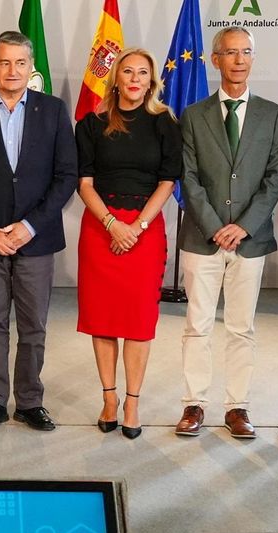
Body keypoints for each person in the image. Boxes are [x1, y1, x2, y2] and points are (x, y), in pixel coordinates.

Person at [0, 31, 77, 433]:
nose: (12, 70)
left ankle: (29, 402)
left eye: (20, 63)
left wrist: (29, 226)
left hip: (36, 240)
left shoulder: (54, 111)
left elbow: (66, 176)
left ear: (31, 67)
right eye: (4, 62)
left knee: (34, 325)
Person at [175, 27, 278, 439]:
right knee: (197, 325)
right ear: (214, 59)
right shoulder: (192, 115)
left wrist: (243, 226)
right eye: (230, 53)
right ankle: (194, 404)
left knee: (242, 327)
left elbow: (275, 177)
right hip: (202, 239)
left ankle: (237, 407)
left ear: (253, 59)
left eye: (246, 53)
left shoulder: (273, 115)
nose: (239, 60)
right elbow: (187, 177)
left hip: (250, 239)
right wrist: (215, 226)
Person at [74, 47, 181, 439]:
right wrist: (111, 224)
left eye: (142, 73)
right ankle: (108, 397)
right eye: (128, 72)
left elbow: (168, 181)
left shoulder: (165, 123)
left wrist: (136, 227)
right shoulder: (91, 123)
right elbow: (84, 183)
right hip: (101, 228)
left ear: (151, 81)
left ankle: (133, 402)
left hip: (145, 229)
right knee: (103, 318)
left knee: (137, 323)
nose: (135, 79)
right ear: (115, 78)